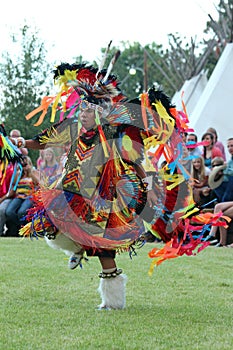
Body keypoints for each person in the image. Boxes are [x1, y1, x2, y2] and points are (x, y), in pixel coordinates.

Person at [10, 61, 223, 310]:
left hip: (103, 197)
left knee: (103, 249)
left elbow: (133, 159)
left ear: (98, 113)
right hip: (70, 189)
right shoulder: (73, 128)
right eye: (82, 110)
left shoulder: (113, 134)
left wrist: (147, 185)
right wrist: (23, 141)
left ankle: (112, 301)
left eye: (88, 111)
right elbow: (44, 139)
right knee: (50, 222)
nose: (83, 114)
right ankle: (77, 249)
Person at [5, 156, 39, 236]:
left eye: (25, 164)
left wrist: (30, 172)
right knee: (9, 212)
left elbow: (38, 183)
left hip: (29, 196)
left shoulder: (34, 172)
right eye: (22, 164)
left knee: (22, 212)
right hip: (19, 196)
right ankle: (19, 227)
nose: (24, 166)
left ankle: (24, 230)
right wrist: (18, 172)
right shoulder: (19, 173)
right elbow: (14, 184)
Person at [0, 163, 15, 236]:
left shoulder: (11, 171)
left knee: (1, 209)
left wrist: (2, 199)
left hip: (7, 198)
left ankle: (0, 232)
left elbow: (12, 192)